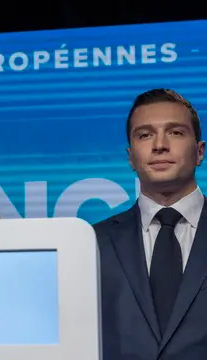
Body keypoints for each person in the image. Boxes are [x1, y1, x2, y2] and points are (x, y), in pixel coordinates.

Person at [93, 88, 207, 360]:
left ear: (200, 151)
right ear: (131, 156)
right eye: (145, 135)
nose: (159, 145)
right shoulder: (92, 243)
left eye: (176, 132)